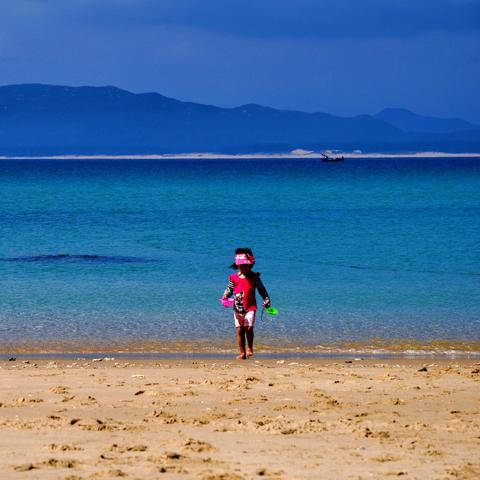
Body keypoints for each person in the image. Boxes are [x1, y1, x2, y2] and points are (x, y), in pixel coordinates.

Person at [222, 248, 271, 360]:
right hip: (237, 308)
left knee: (248, 328)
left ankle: (249, 347)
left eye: (246, 266)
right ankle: (242, 353)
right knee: (240, 330)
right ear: (237, 265)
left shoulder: (254, 277)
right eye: (241, 265)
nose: (244, 268)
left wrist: (267, 299)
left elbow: (261, 290)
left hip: (250, 307)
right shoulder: (234, 278)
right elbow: (229, 289)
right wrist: (225, 296)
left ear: (251, 265)